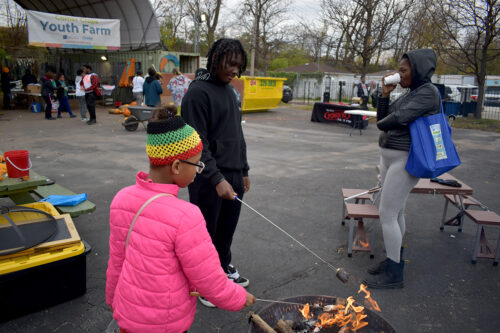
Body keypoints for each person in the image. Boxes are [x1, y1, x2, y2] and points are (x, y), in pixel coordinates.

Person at [106, 108, 255, 332]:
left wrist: (112, 300)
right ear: (176, 166)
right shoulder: (186, 216)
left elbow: (117, 261)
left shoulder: (121, 199)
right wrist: (239, 297)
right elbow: (208, 280)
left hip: (128, 316)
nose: (198, 172)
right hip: (166, 323)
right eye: (197, 164)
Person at [181, 38, 250, 307]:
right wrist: (216, 177)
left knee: (226, 231)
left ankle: (222, 269)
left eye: (239, 66)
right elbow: (196, 142)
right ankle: (204, 284)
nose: (235, 70)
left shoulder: (230, 91)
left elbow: (237, 134)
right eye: (230, 63)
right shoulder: (197, 93)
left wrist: (244, 169)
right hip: (208, 179)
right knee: (205, 234)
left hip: (233, 175)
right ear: (215, 58)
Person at [363, 49, 440, 289]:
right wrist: (385, 95)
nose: (399, 74)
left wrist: (382, 123)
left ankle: (395, 273)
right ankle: (392, 258)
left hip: (404, 160)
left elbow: (393, 120)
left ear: (418, 70)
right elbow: (385, 114)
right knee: (395, 212)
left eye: (404, 71)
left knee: (387, 213)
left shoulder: (428, 92)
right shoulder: (411, 92)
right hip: (391, 158)